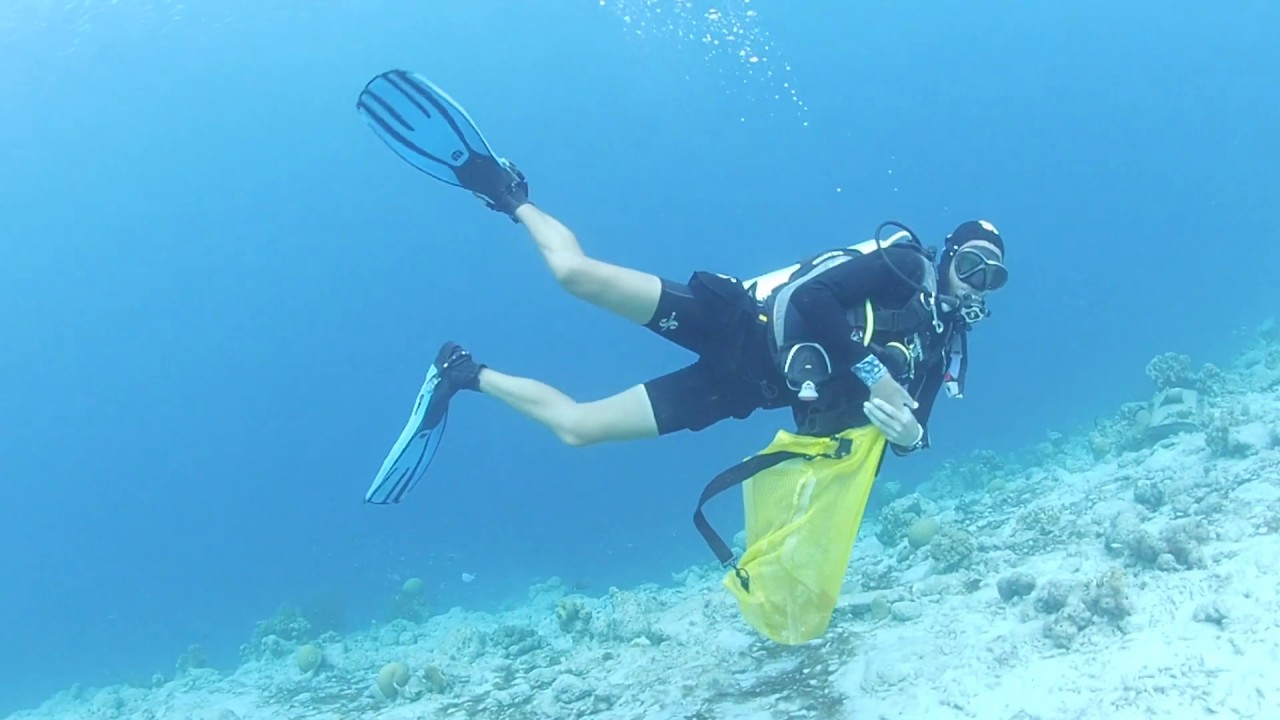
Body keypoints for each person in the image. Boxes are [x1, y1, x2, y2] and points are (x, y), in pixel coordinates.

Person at [423, 169, 1008, 456]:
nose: (977, 282)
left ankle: (462, 372)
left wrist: (911, 436)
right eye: (972, 265)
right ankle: (510, 195)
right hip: (738, 321)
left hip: (743, 388)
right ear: (948, 256)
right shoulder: (902, 264)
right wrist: (872, 371)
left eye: (991, 277)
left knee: (578, 429)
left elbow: (915, 432)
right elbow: (811, 298)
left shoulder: (945, 342)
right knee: (575, 275)